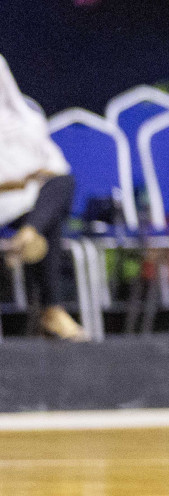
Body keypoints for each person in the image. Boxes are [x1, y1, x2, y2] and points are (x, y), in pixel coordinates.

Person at [0, 54, 85, 342]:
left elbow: (57, 168)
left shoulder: (27, 121)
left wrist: (35, 177)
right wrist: (17, 182)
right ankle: (52, 310)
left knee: (61, 184)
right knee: (50, 217)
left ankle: (27, 234)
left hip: (29, 204)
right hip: (5, 201)